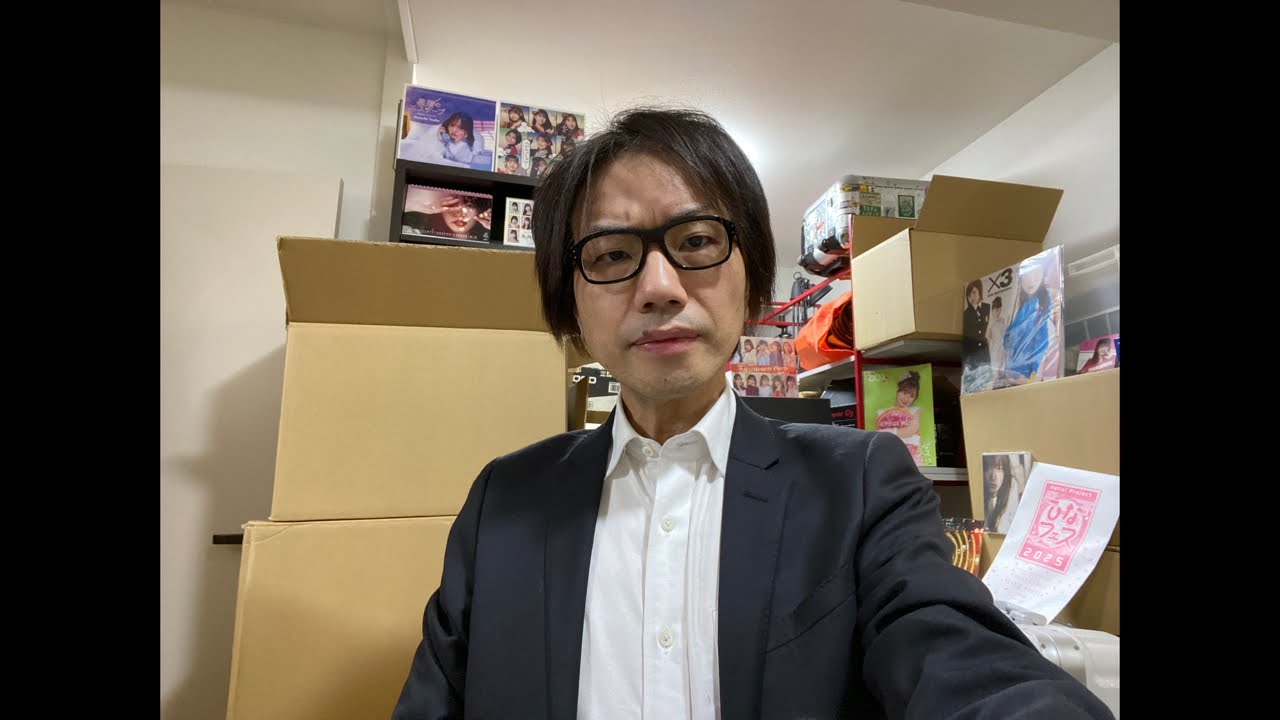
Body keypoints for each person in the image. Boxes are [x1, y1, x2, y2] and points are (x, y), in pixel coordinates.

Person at [393, 107, 1114, 719]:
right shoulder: (503, 501)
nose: (659, 287)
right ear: (569, 302)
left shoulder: (861, 483)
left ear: (752, 279)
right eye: (611, 255)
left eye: (697, 242)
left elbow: (960, 656)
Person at [1003, 256, 1057, 383]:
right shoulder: (1019, 309)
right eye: (1026, 276)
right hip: (1014, 375)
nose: (1031, 281)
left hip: (1033, 376)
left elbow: (1045, 345)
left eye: (1036, 274)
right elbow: (1008, 345)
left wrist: (1033, 376)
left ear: (1042, 276)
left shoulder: (1048, 306)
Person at [874, 370, 923, 466]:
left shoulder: (915, 410)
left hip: (911, 456)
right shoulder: (881, 412)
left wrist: (888, 432)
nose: (906, 399)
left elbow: (911, 430)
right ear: (897, 389)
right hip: (888, 456)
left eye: (911, 396)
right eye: (904, 393)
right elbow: (879, 438)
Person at [401, 191, 492, 242]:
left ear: (480, 209)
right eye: (452, 204)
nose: (459, 213)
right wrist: (415, 205)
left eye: (469, 205)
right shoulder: (415, 235)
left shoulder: (488, 241)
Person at [983, 453, 1026, 534]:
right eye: (987, 468)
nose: (993, 477)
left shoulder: (1011, 491)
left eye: (999, 468)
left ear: (1005, 473)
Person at [962, 279, 990, 369]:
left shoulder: (987, 307)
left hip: (984, 352)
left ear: (979, 291)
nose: (972, 297)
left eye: (974, 292)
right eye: (969, 295)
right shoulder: (966, 314)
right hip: (971, 354)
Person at [985, 294, 1008, 370]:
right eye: (997, 310)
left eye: (1000, 310)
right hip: (995, 352)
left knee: (1002, 371)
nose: (998, 312)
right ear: (992, 310)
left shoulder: (1002, 320)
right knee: (994, 370)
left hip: (1003, 351)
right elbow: (988, 340)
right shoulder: (990, 323)